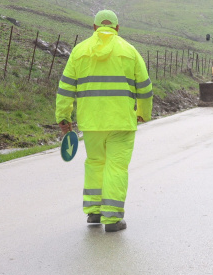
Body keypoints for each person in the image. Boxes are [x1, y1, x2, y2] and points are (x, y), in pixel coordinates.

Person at [56, 10, 152, 232]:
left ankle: (94, 212)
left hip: (91, 123)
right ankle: (112, 219)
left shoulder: (79, 52)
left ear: (94, 27)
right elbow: (145, 88)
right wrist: (143, 113)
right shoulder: (129, 51)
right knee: (116, 167)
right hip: (121, 122)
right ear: (117, 28)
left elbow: (65, 88)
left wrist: (63, 117)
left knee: (95, 163)